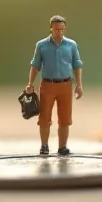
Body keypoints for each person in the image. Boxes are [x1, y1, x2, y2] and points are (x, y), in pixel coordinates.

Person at [25, 15, 84, 156]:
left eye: (62, 29)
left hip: (65, 85)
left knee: (65, 118)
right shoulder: (41, 45)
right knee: (44, 117)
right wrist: (30, 83)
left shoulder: (71, 45)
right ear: (51, 28)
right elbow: (35, 65)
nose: (59, 32)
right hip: (48, 85)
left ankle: (62, 147)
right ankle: (44, 145)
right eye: (57, 29)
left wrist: (79, 84)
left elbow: (77, 65)